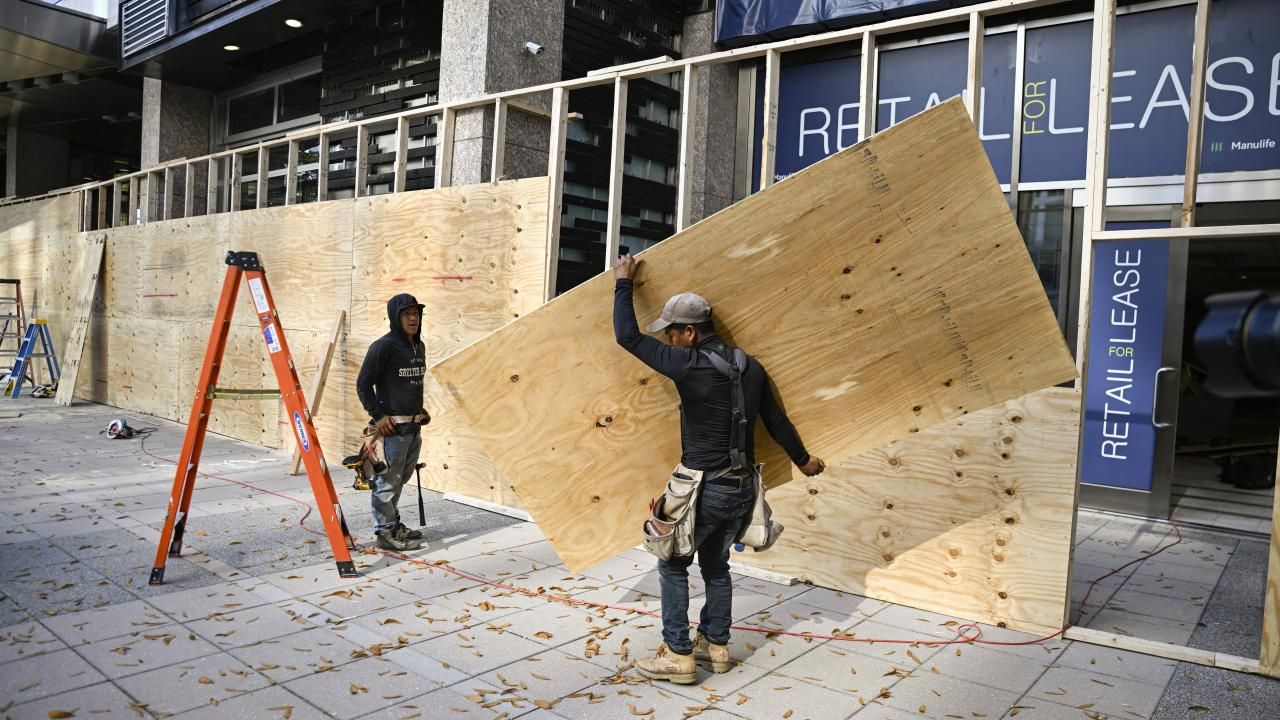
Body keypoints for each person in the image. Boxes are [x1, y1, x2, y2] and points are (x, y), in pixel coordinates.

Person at [612, 254, 825, 684]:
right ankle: (717, 645)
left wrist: (623, 283)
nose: (669, 342)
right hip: (743, 488)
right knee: (716, 565)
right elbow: (777, 421)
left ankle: (678, 653)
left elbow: (627, 337)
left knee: (672, 563)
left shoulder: (687, 366)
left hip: (702, 489)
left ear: (690, 332)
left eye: (672, 334)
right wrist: (804, 461)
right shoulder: (751, 366)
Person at [356, 293, 432, 551]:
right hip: (392, 431)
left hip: (413, 428)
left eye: (416, 313)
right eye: (407, 314)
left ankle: (392, 523)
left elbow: (405, 385)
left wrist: (418, 410)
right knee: (387, 482)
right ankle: (384, 532)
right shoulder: (384, 346)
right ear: (395, 317)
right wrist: (379, 415)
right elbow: (363, 384)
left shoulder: (418, 347)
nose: (413, 318)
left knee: (401, 479)